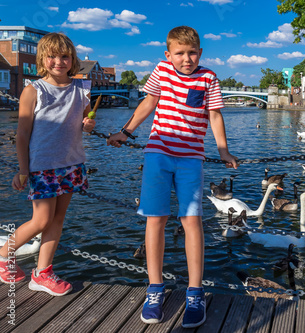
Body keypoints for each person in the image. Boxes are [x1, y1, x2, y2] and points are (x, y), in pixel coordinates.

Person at [107, 26, 238, 328]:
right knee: (156, 219)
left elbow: (214, 115)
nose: (186, 58)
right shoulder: (162, 71)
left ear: (200, 53)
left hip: (191, 159)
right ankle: (154, 289)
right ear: (168, 54)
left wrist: (223, 150)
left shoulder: (209, 78)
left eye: (192, 52)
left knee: (191, 221)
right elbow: (149, 103)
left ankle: (195, 292)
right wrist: (125, 133)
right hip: (158, 154)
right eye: (179, 53)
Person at [0, 33, 95, 295]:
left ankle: (42, 273)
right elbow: (22, 134)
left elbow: (85, 121)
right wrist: (22, 169)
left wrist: (89, 124)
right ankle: (2, 255)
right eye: (52, 56)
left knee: (57, 220)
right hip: (42, 166)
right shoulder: (33, 90)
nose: (59, 61)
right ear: (43, 59)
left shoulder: (82, 89)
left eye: (65, 56)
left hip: (72, 163)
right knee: (41, 220)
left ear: (72, 59)